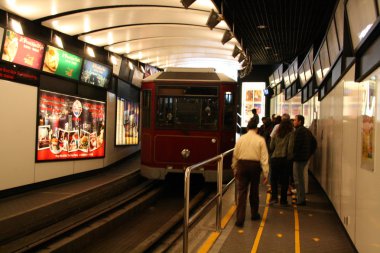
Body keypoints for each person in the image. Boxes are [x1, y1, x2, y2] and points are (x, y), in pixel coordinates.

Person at [231, 118, 269, 227]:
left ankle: (240, 219)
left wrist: (234, 168)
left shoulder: (241, 139)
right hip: (255, 167)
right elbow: (264, 157)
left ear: (247, 128)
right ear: (256, 129)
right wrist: (265, 173)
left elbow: (235, 154)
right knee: (254, 190)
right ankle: (254, 214)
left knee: (242, 192)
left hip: (242, 166)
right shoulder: (260, 140)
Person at [288, 114, 317, 206]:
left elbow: (296, 146)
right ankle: (301, 198)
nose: (294, 122)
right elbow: (314, 143)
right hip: (304, 158)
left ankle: (301, 199)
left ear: (300, 121)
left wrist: (293, 156)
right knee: (300, 178)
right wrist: (309, 154)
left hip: (299, 158)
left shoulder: (298, 132)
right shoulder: (307, 131)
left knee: (298, 179)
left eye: (295, 120)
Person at [269, 119, 293, 206]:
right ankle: (283, 200)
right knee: (284, 181)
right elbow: (290, 148)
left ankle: (274, 198)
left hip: (274, 159)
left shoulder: (276, 133)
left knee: (274, 180)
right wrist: (289, 158)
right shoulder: (290, 133)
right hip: (285, 159)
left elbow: (271, 146)